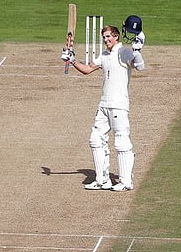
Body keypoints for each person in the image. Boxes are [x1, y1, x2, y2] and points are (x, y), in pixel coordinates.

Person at [61, 16, 145, 192]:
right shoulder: (104, 55)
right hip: (104, 104)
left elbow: (139, 66)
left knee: (121, 142)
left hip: (119, 104)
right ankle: (102, 180)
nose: (106, 40)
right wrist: (73, 59)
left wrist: (137, 51)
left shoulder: (125, 52)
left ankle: (125, 181)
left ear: (116, 36)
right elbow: (88, 70)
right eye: (104, 38)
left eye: (108, 37)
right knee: (95, 139)